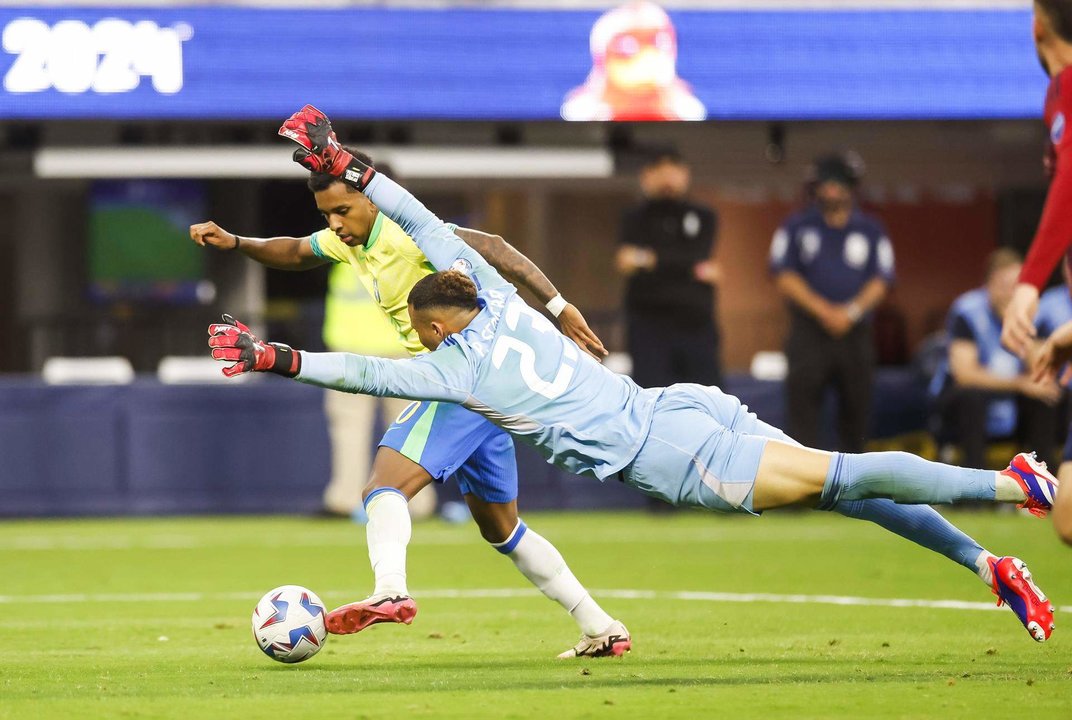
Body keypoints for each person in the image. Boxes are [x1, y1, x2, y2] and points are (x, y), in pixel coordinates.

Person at [209, 133, 1058, 643]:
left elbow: (354, 370)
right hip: (679, 403)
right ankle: (991, 565)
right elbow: (429, 222)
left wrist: (267, 356)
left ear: (431, 325)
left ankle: (1009, 483)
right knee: (847, 488)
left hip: (674, 456)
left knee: (847, 475)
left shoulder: (450, 367)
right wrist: (343, 161)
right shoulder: (498, 298)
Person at [191, 107, 628, 660]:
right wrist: (237, 243)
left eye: (343, 210)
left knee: (383, 487)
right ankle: (602, 627)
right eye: (327, 214)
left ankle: (390, 591)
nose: (335, 224)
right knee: (502, 529)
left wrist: (560, 306)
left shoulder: (407, 230)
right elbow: (298, 251)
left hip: (465, 374)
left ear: (371, 196)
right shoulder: (349, 239)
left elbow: (492, 246)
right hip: (473, 386)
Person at [770, 153, 894, 453]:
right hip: (808, 334)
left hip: (855, 336)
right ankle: (801, 487)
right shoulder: (796, 226)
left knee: (857, 413)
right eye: (825, 185)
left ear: (851, 188)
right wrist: (823, 310)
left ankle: (854, 491)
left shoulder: (871, 229)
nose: (831, 191)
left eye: (838, 185)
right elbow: (783, 274)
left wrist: (849, 313)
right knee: (802, 412)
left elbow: (883, 279)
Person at [931, 249, 1061, 469]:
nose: (1010, 292)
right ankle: (974, 488)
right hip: (963, 401)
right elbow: (965, 375)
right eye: (1004, 284)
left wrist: (1020, 331)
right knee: (972, 398)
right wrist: (1019, 383)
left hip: (1012, 399)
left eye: (1016, 285)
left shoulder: (1032, 311)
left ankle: (1045, 483)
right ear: (989, 283)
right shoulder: (968, 310)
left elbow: (1041, 366)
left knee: (1045, 394)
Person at [616, 146, 722, 390]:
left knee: (707, 401)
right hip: (648, 327)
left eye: (673, 170)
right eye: (659, 171)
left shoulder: (704, 215)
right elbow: (624, 260)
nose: (667, 178)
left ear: (685, 174)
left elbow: (699, 255)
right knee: (653, 399)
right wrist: (690, 267)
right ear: (646, 176)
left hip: (696, 325)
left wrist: (649, 259)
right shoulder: (634, 217)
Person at [560, 1, 705, 121]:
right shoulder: (584, 110)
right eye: (629, 49)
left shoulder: (684, 109)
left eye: (655, 45)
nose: (647, 57)